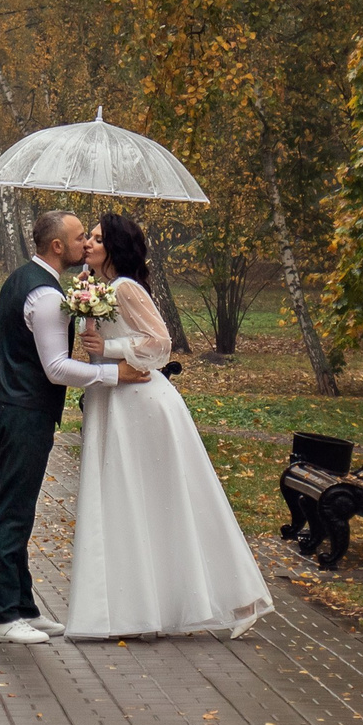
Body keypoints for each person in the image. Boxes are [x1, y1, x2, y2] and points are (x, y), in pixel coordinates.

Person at [63, 214, 272, 641]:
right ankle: (141, 607)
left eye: (97, 240)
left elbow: (160, 344)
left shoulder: (124, 288)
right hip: (113, 399)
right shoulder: (98, 287)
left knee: (164, 498)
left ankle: (234, 595)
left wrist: (109, 347)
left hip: (141, 405)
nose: (88, 245)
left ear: (115, 249)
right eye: (89, 239)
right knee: (132, 502)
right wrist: (90, 329)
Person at [0, 209, 151, 644]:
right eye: (80, 238)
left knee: (19, 506)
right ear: (58, 247)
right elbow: (56, 368)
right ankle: (3, 616)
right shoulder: (44, 296)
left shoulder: (24, 280)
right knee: (13, 510)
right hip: (24, 410)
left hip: (12, 404)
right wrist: (116, 375)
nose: (86, 244)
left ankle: (23, 606)